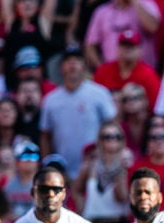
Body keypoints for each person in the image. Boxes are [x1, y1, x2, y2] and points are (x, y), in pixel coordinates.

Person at [39, 47, 117, 178]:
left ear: (84, 66)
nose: (72, 64)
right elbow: (45, 136)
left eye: (77, 60)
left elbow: (113, 126)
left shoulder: (99, 93)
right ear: (61, 67)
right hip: (63, 171)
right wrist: (48, 166)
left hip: (96, 168)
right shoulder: (50, 100)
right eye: (68, 61)